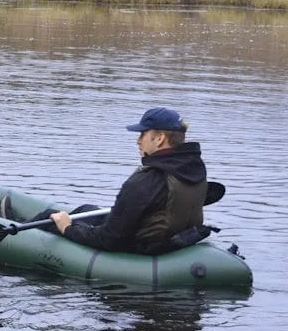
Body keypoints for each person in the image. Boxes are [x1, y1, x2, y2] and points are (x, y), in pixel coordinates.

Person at [47, 107, 208, 254]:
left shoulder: (146, 181)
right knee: (87, 209)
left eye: (142, 134)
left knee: (49, 218)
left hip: (141, 247)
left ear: (159, 138)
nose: (138, 141)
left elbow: (109, 239)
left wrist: (67, 228)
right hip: (169, 242)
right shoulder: (194, 171)